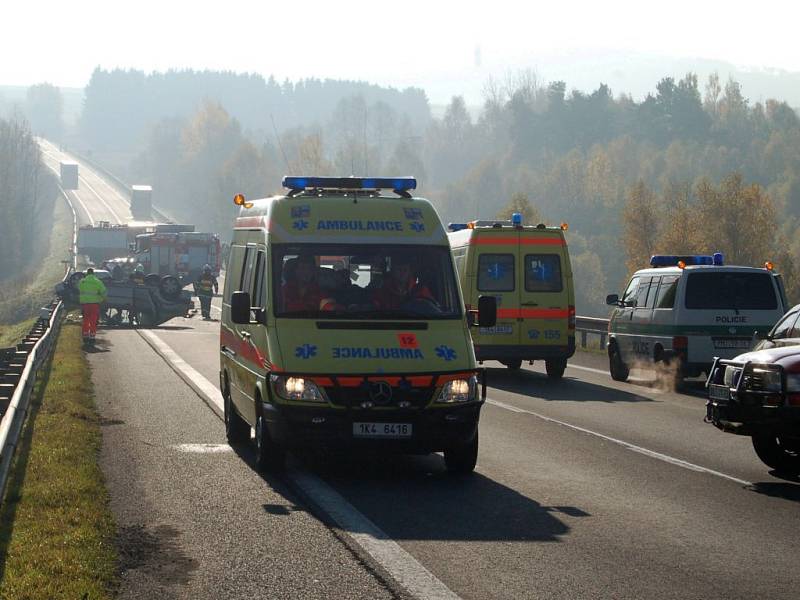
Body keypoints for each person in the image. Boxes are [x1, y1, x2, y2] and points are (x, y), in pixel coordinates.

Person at [78, 268, 107, 345]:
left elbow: (78, 289)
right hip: (95, 305)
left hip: (85, 305)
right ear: (93, 273)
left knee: (85, 321)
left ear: (87, 273)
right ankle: (92, 338)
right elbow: (104, 292)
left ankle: (85, 337)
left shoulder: (82, 281)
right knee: (93, 321)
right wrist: (104, 299)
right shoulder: (98, 282)